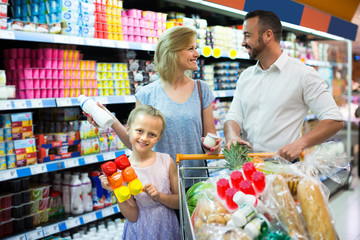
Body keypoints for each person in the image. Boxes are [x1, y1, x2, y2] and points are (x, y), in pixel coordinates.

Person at [86, 26, 221, 187]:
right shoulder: (146, 94)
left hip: (195, 184)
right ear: (172, 52)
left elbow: (211, 141)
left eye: (196, 48)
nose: (197, 54)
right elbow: (136, 144)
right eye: (191, 48)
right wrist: (111, 120)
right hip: (159, 183)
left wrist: (214, 147)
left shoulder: (201, 89)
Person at [224, 10, 344, 162]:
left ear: (268, 35)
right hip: (248, 167)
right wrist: (232, 136)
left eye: (247, 35)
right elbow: (233, 116)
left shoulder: (303, 74)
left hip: (285, 169)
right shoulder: (246, 76)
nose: (243, 42)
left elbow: (334, 119)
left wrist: (300, 144)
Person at [99, 105, 180, 239]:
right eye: (140, 131)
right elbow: (132, 216)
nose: (144, 138)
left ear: (159, 138)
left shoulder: (166, 161)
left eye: (152, 134)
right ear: (128, 129)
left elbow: (179, 202)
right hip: (139, 231)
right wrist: (117, 189)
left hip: (166, 228)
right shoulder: (121, 172)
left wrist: (159, 196)